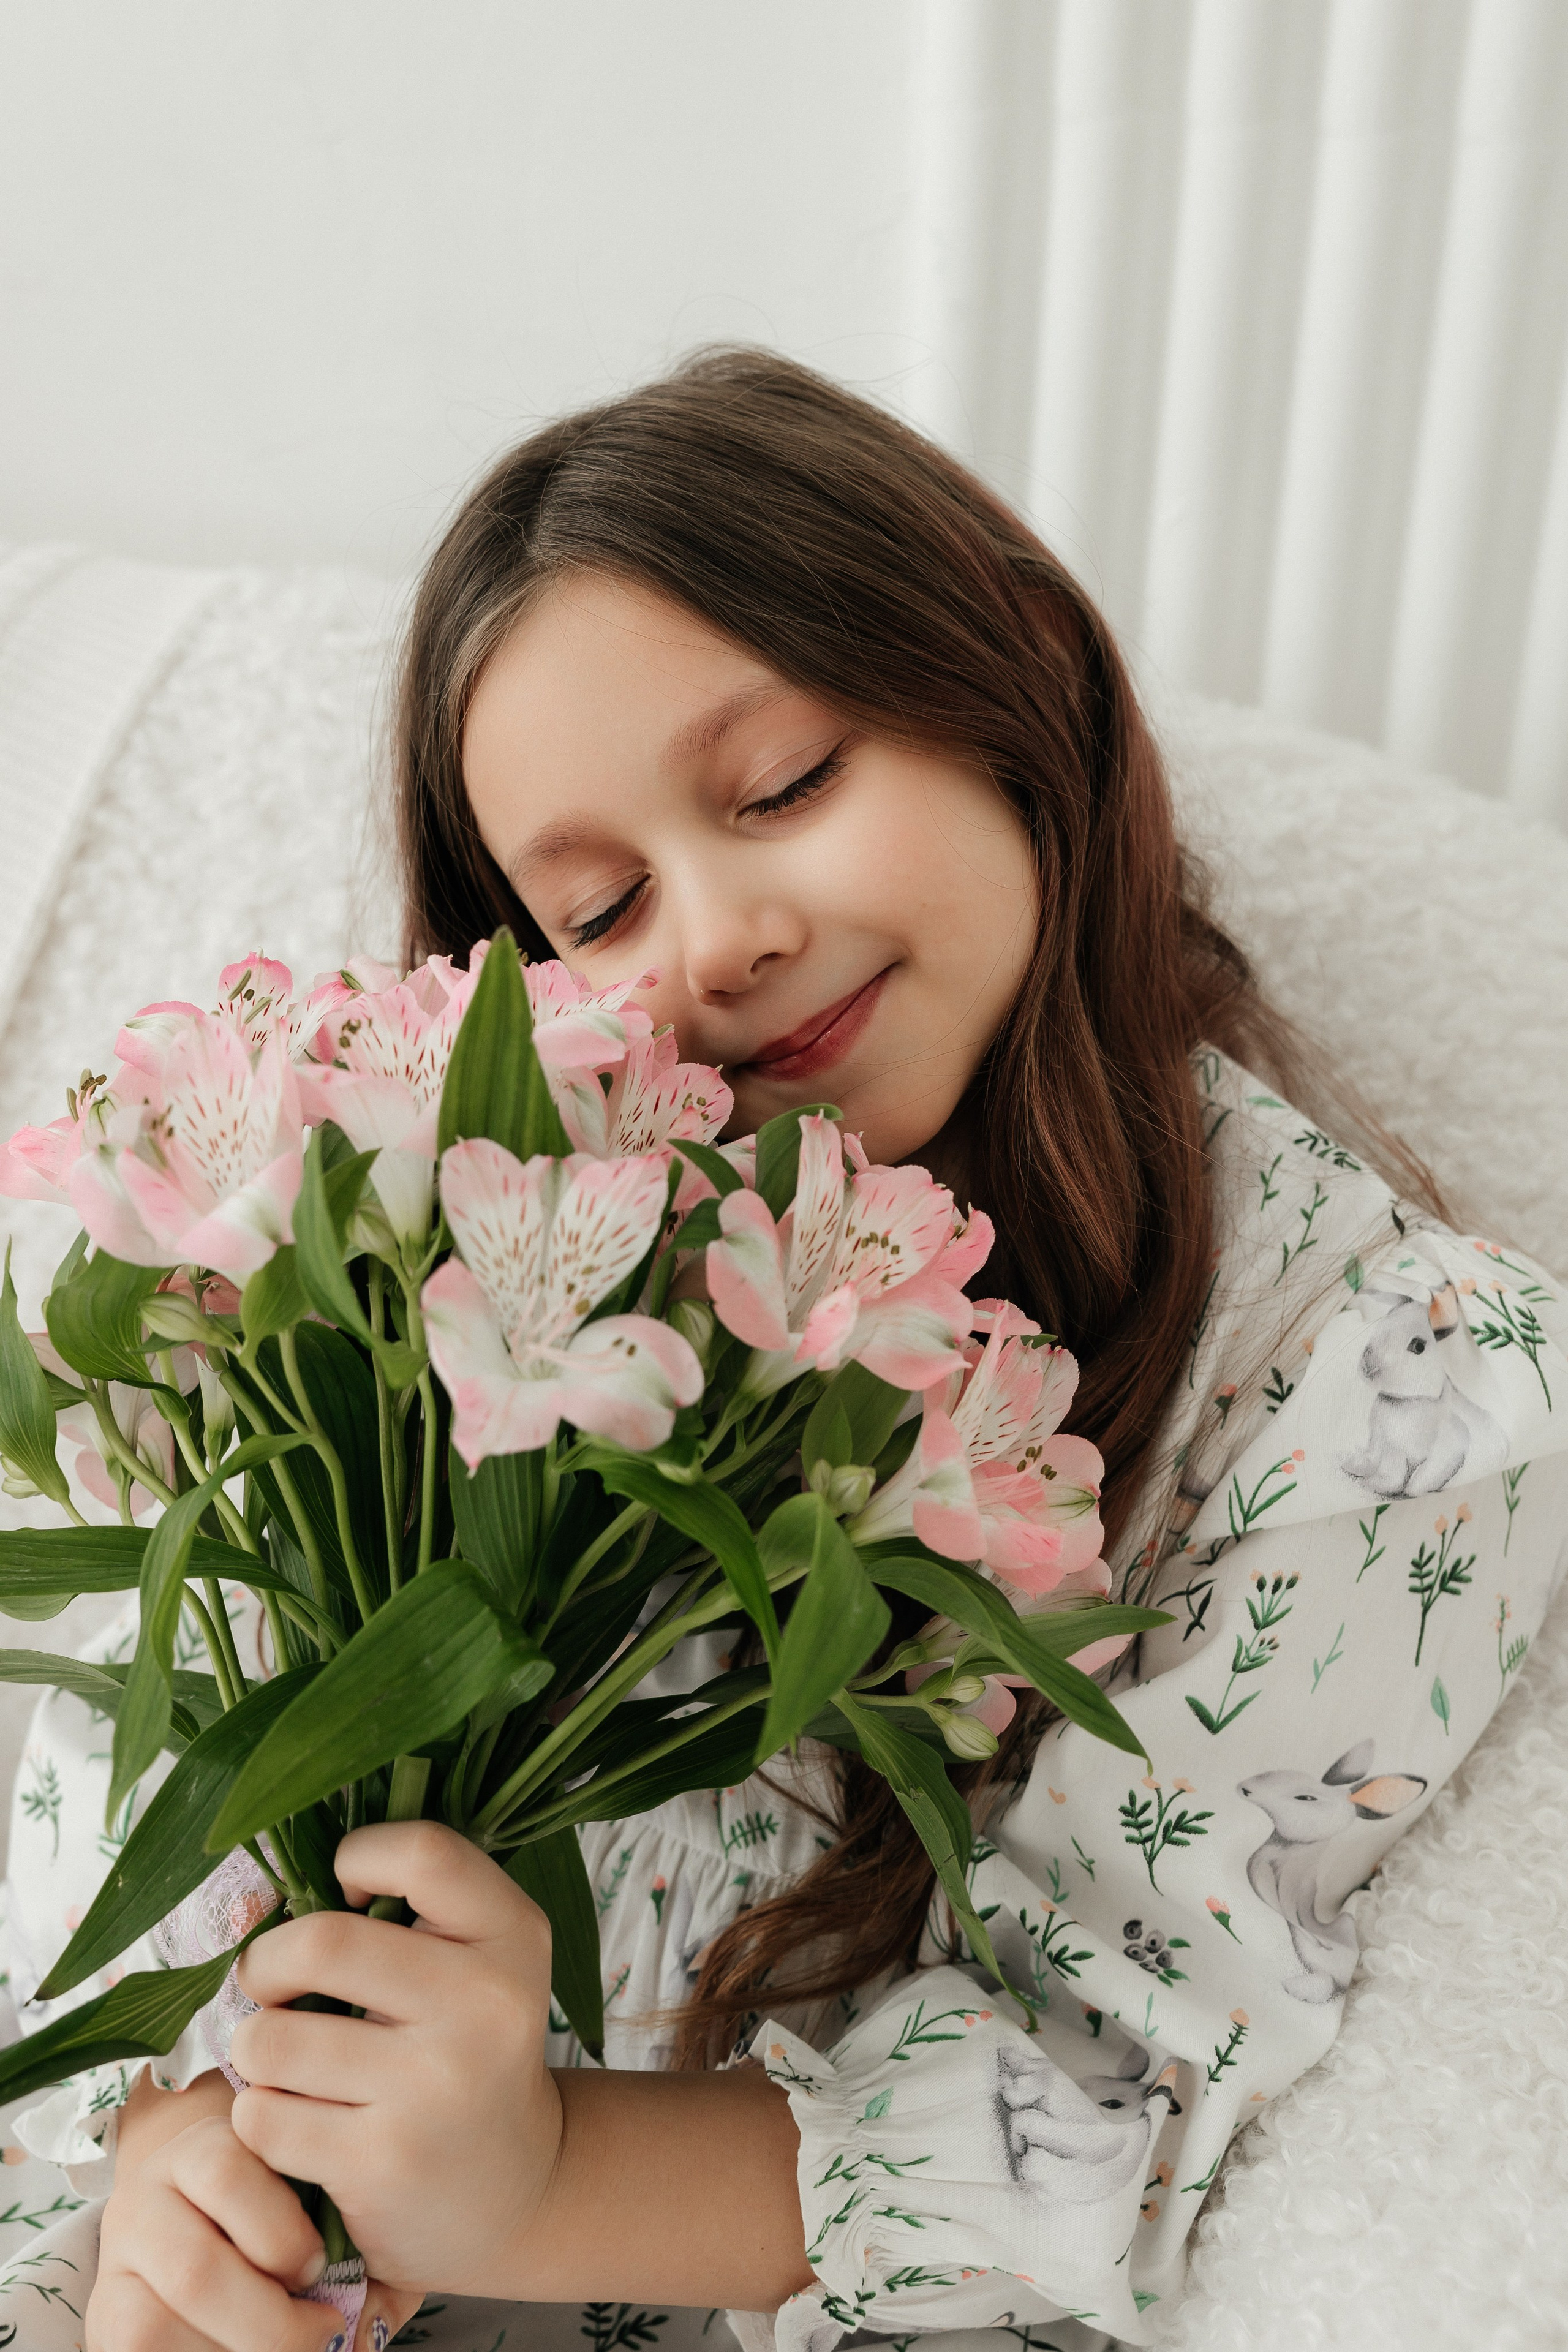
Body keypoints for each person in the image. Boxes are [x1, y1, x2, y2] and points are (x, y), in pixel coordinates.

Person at [1, 351, 1564, 2352]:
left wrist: (542, 2178)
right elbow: (98, 1997)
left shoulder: (1399, 1382)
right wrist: (171, 2189)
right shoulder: (454, 1300)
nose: (721, 934)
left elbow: (1098, 2097)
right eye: (600, 905)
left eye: (785, 788)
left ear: (1017, 685)